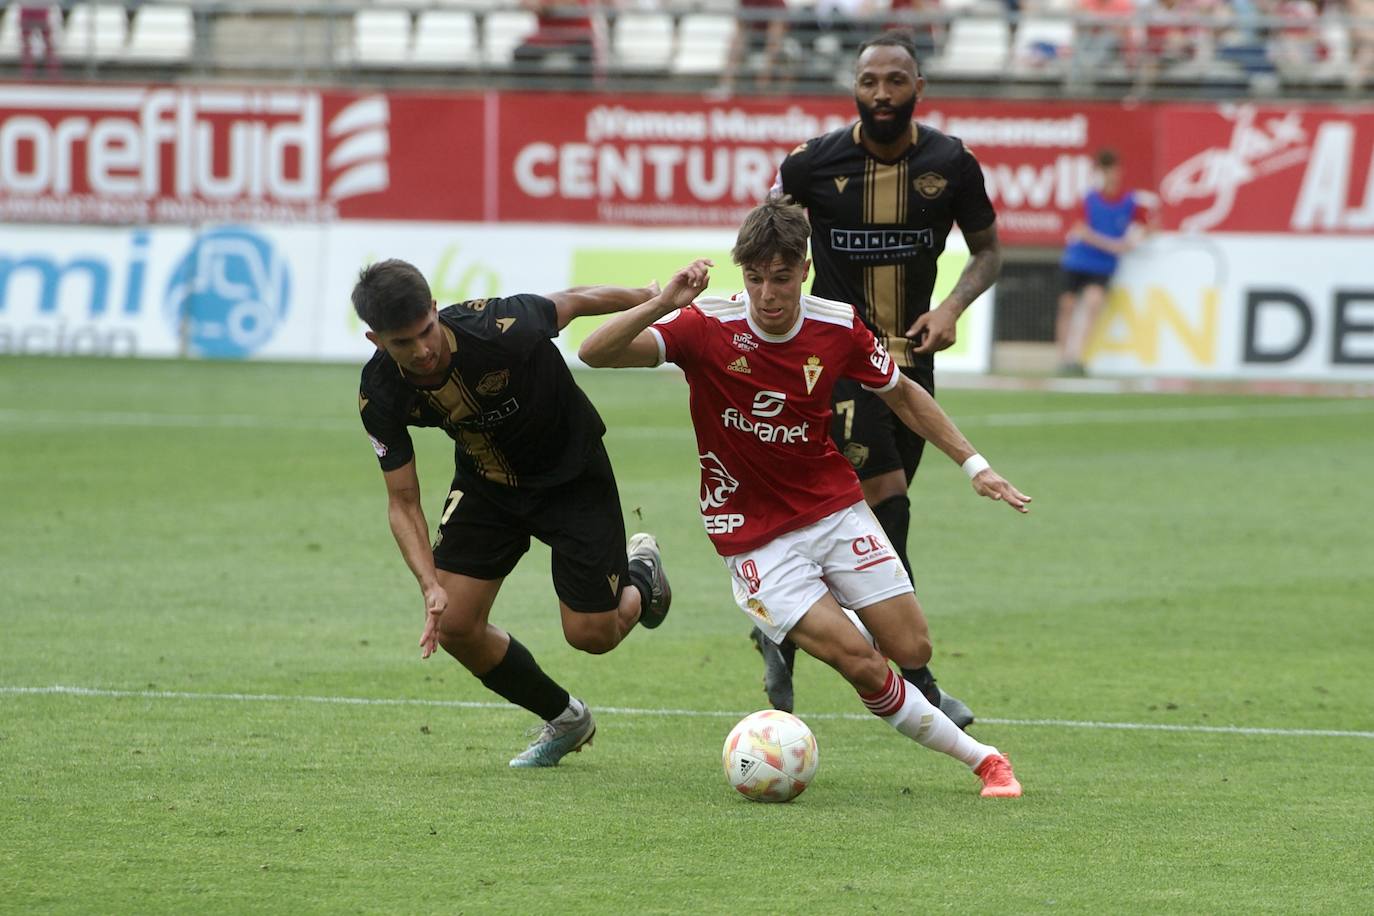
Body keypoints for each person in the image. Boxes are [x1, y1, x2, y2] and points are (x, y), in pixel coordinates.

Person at [579, 198, 1028, 798]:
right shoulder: (706, 324)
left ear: (805, 271)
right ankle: (986, 761)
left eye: (781, 278)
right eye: (755, 277)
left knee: (911, 646)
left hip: (832, 509)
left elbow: (903, 394)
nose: (767, 293)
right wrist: (662, 304)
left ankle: (789, 622)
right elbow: (593, 352)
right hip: (752, 534)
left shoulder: (836, 326)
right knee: (863, 663)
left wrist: (976, 465)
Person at [764, 29, 1002, 726]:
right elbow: (766, 240)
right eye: (870, 82)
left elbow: (988, 251)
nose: (882, 95)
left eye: (895, 82)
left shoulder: (951, 164)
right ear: (855, 89)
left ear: (918, 88)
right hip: (834, 359)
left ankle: (782, 628)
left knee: (869, 519)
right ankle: (917, 679)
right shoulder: (812, 165)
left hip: (912, 361)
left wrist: (953, 306)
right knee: (884, 493)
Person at [353, 259, 671, 768]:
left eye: (426, 332)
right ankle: (566, 719)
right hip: (488, 486)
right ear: (376, 341)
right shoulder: (380, 392)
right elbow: (402, 501)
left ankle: (642, 576)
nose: (423, 351)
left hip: (573, 477)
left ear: (436, 311)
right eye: (402, 344)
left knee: (592, 635)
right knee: (454, 624)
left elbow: (573, 300)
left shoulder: (498, 326)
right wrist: (429, 584)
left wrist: (645, 296)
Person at [1056, 148, 1159, 375]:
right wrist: (1112, 245)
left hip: (1102, 266)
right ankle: (1063, 357)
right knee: (1068, 306)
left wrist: (1134, 241)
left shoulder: (1130, 201)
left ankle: (1080, 358)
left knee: (1093, 305)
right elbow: (1080, 230)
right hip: (1078, 260)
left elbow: (1150, 226)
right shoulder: (1089, 199)